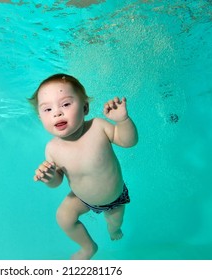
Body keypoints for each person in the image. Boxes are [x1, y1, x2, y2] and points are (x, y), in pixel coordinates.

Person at [28, 74, 138, 260]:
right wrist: (49, 177)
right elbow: (57, 182)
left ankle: (114, 230)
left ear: (85, 107)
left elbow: (129, 142)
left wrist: (122, 120)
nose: (57, 113)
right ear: (41, 118)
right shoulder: (52, 148)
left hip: (114, 198)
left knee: (114, 224)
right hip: (82, 198)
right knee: (63, 217)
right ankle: (88, 247)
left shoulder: (98, 126)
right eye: (47, 109)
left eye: (66, 104)